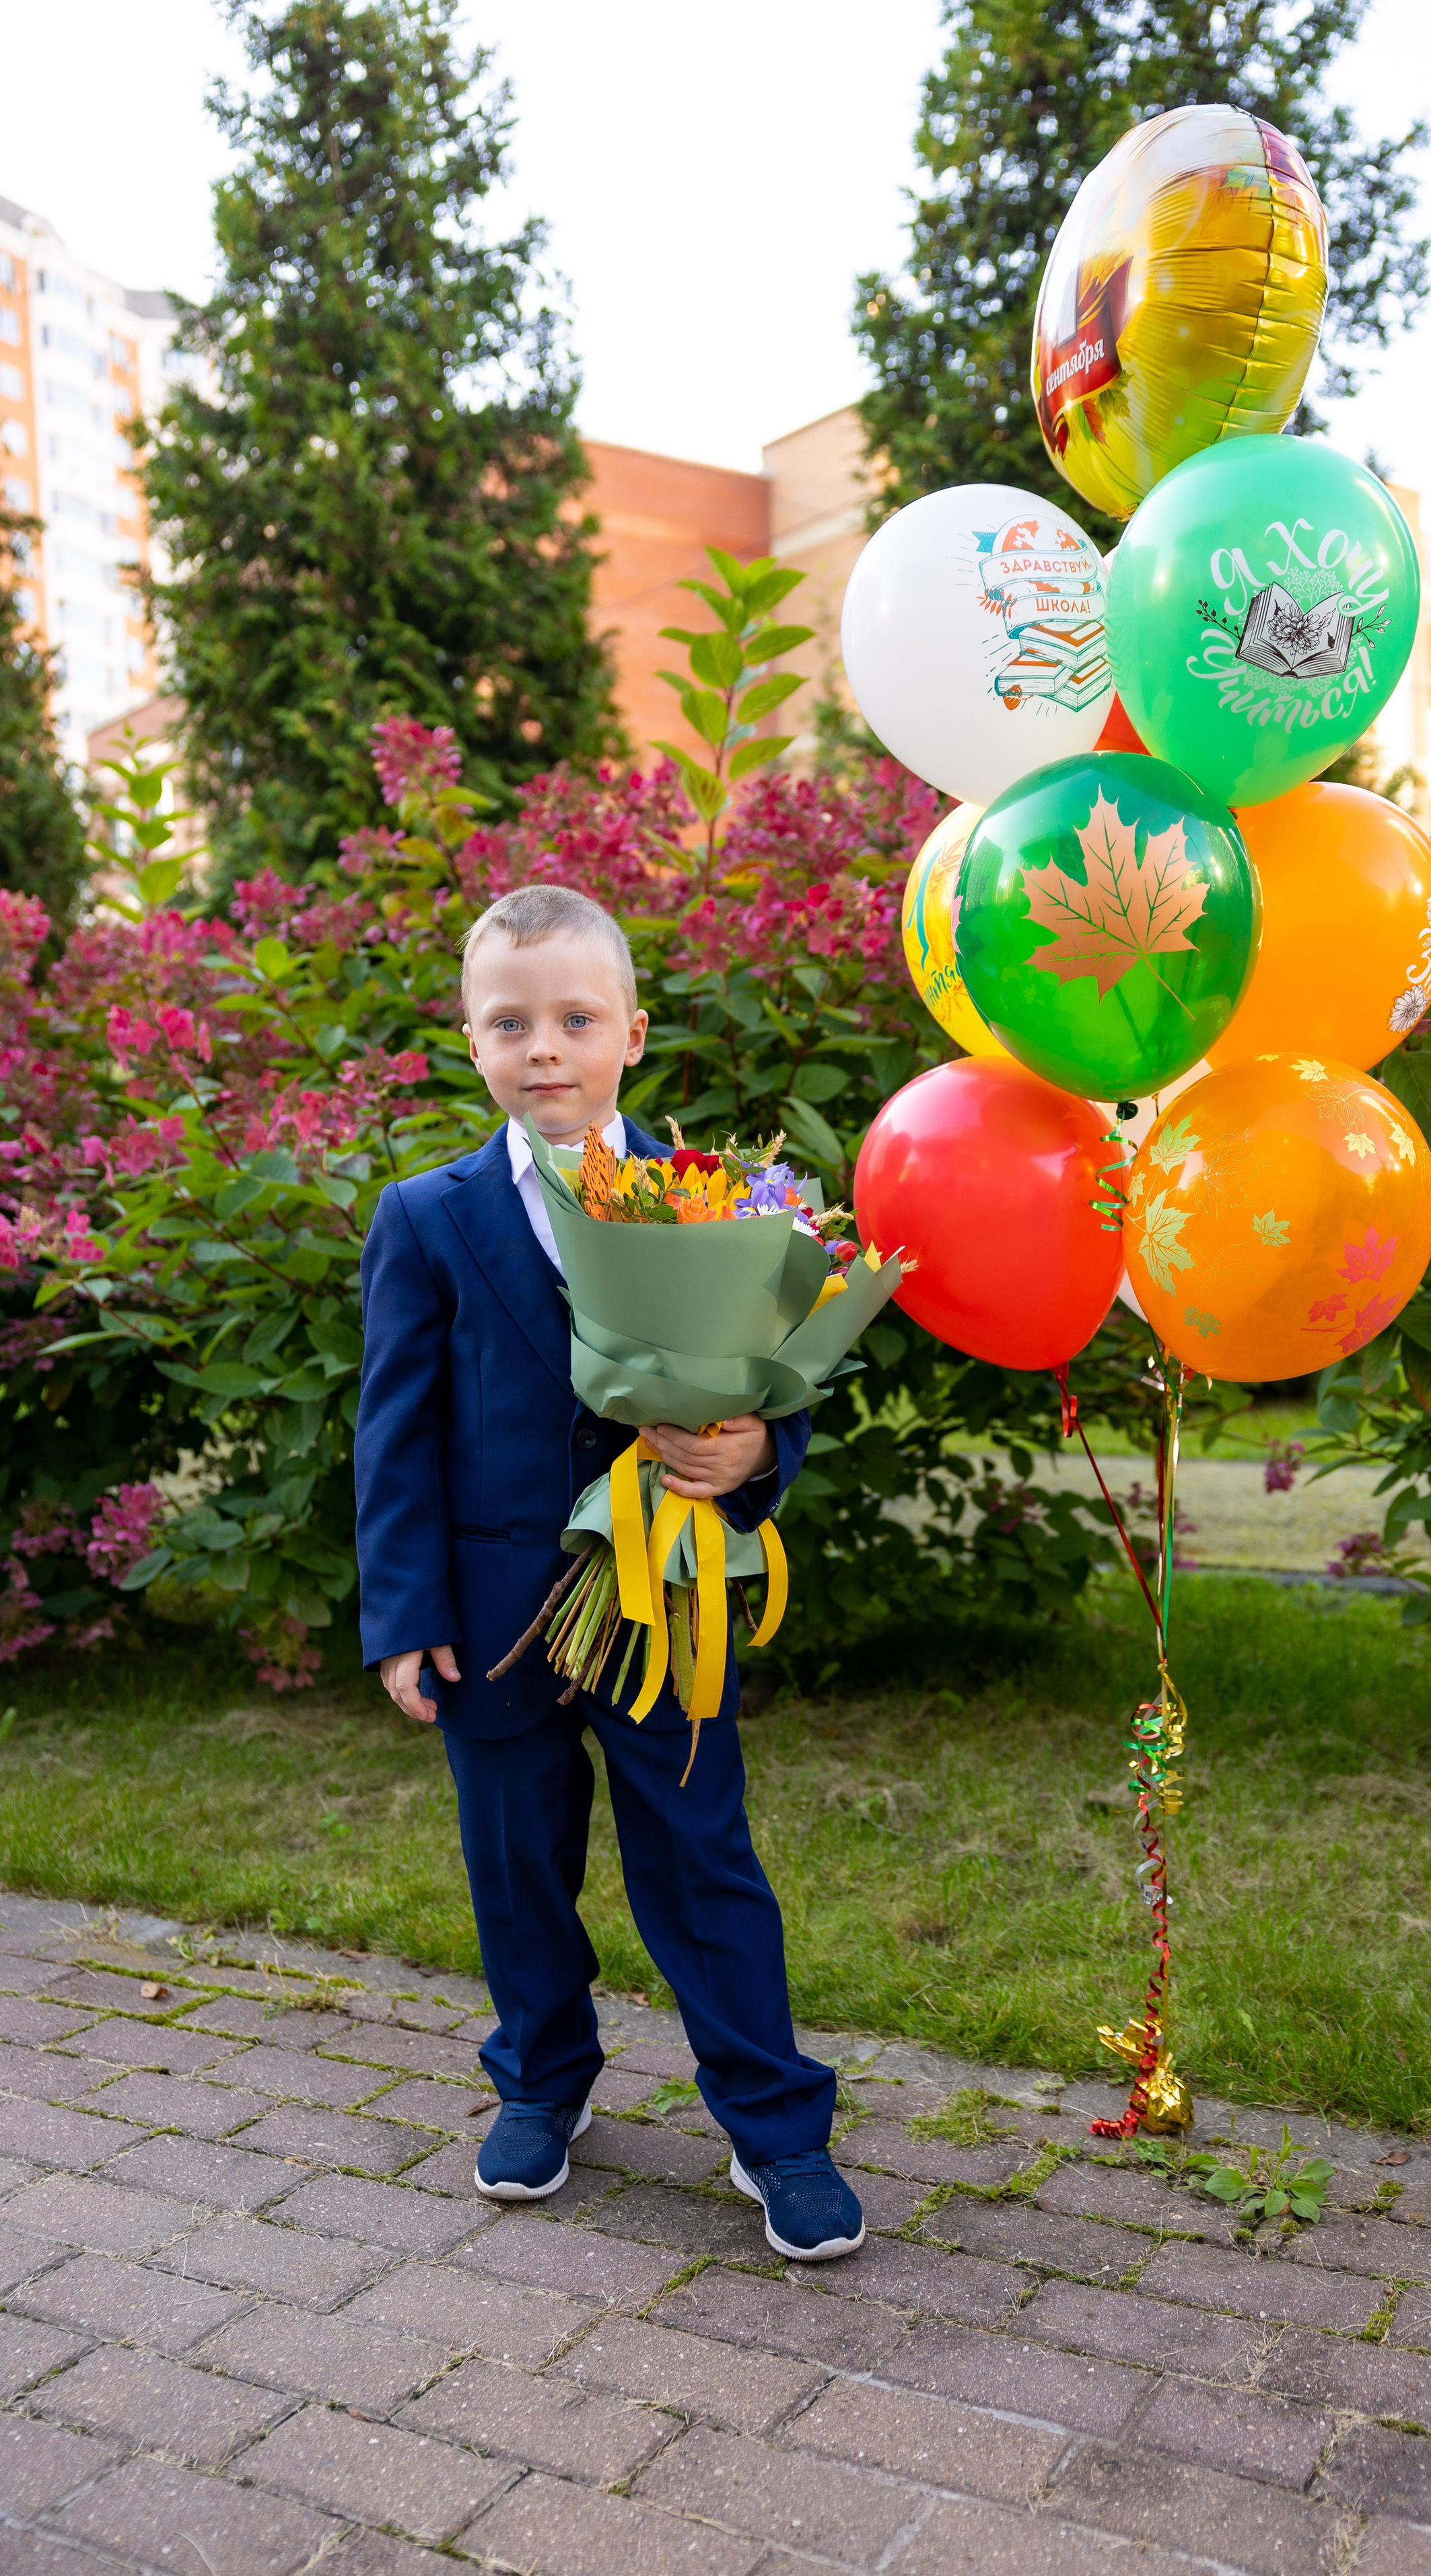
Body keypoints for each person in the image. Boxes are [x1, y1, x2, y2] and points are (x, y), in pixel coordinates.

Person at [355, 883, 864, 2260]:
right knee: (514, 1861)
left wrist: (758, 1447)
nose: (544, 1048)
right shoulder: (427, 1215)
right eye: (510, 1022)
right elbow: (393, 1430)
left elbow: (778, 1372)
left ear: (630, 1033)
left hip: (668, 1599)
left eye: (574, 1019)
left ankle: (776, 2125)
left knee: (700, 1855)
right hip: (491, 1614)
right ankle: (540, 2079)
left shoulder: (718, 1200)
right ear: (470, 1042)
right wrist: (403, 1616)